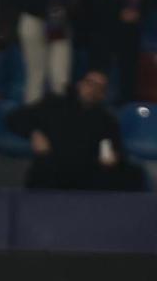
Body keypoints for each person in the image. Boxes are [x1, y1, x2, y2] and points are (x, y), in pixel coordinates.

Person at [10, 70, 138, 192]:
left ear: (103, 95)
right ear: (80, 84)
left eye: (99, 87)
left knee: (132, 175)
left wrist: (113, 158)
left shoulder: (107, 121)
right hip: (51, 171)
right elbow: (15, 118)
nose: (93, 89)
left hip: (86, 176)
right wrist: (34, 133)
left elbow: (112, 150)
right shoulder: (54, 104)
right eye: (90, 83)